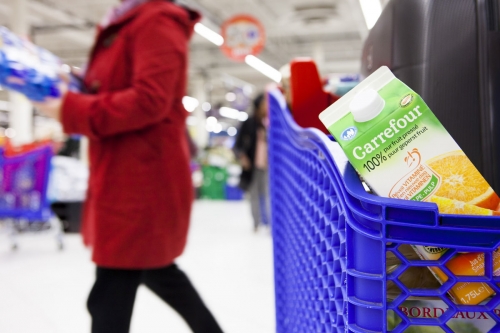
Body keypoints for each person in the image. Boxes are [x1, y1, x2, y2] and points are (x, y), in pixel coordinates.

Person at [33, 1, 223, 332]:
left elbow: (149, 100)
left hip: (140, 182)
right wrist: (77, 85)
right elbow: (120, 86)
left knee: (110, 294)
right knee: (156, 271)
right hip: (126, 173)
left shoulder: (156, 21)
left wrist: (71, 109)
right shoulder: (128, 20)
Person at [234, 93, 270, 232]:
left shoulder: (270, 122)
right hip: (253, 166)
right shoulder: (249, 123)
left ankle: (269, 225)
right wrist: (243, 158)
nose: (266, 107)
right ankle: (256, 223)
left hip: (268, 166)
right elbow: (238, 145)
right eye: (263, 105)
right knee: (254, 195)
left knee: (268, 195)